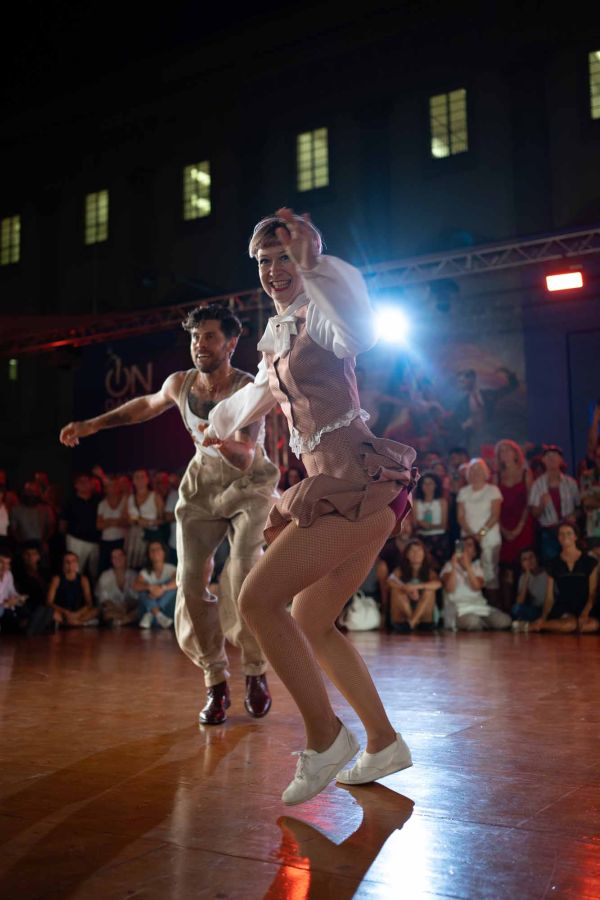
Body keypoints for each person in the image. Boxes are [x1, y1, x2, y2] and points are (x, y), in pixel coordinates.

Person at [203, 208, 417, 805]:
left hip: (357, 483)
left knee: (257, 600)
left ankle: (326, 739)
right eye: (265, 261)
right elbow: (257, 394)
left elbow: (359, 330)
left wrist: (316, 265)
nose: (275, 270)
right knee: (311, 616)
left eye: (285, 258)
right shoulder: (279, 336)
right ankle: (383, 742)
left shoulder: (323, 315)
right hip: (350, 491)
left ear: (306, 258)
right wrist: (216, 424)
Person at [59, 304, 280, 724]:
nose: (200, 344)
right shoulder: (180, 383)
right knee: (190, 582)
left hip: (249, 485)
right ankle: (215, 680)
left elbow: (245, 456)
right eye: (195, 337)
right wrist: (92, 425)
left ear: (231, 344)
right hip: (201, 487)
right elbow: (143, 405)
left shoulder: (247, 388)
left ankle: (255, 669)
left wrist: (219, 441)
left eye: (210, 337)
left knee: (243, 575)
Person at [530, 522, 599, 633]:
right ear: (558, 538)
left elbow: (592, 593)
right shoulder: (553, 563)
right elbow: (549, 597)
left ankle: (565, 627)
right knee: (570, 624)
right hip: (564, 606)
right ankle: (540, 625)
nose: (565, 536)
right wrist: (544, 616)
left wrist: (585, 613)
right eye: (561, 534)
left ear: (575, 536)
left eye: (569, 533)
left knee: (593, 625)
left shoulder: (590, 562)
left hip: (585, 605)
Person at [494, 439, 534, 610]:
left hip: (523, 523)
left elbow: (529, 503)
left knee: (524, 565)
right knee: (506, 569)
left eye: (508, 450)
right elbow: (494, 505)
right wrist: (503, 529)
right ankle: (508, 608)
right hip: (502, 524)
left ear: (516, 453)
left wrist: (519, 527)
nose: (505, 454)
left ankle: (525, 607)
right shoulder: (496, 476)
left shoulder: (526, 473)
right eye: (501, 451)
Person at [441, 535, 511, 631]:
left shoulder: (477, 567)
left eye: (469, 545)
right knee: (473, 621)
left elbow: (476, 587)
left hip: (479, 607)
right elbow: (450, 588)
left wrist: (468, 566)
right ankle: (482, 625)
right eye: (463, 545)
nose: (465, 547)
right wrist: (454, 565)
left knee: (505, 620)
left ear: (474, 552)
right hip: (459, 609)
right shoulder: (448, 566)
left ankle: (483, 624)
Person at [457, 458, 502, 597]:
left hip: (489, 537)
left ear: (485, 472)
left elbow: (495, 515)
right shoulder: (463, 491)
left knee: (490, 572)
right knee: (463, 567)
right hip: (466, 538)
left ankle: (491, 603)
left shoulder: (493, 490)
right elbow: (460, 517)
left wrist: (480, 535)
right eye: (472, 470)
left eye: (479, 469)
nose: (475, 473)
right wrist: (472, 537)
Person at [529, 445, 580, 563]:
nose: (552, 459)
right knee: (551, 565)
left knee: (571, 563)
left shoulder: (571, 483)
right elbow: (534, 514)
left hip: (568, 530)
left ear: (561, 460)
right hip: (548, 532)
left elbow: (579, 508)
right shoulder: (537, 485)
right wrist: (542, 505)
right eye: (548, 457)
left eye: (555, 456)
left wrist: (574, 516)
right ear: (543, 460)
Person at [386, 539, 441, 631]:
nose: (416, 553)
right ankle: (413, 620)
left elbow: (438, 584)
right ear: (407, 554)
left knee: (429, 591)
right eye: (412, 551)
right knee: (396, 590)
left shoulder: (430, 572)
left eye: (419, 550)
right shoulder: (400, 570)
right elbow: (390, 581)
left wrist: (416, 587)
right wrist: (406, 589)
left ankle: (412, 622)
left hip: (425, 617)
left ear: (424, 554)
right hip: (404, 614)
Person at [60, 474, 100, 581]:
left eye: (87, 481)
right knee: (75, 570)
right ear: (76, 485)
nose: (84, 484)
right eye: (81, 482)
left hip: (95, 541)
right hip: (76, 540)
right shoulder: (70, 501)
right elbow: (63, 522)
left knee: (95, 572)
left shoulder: (97, 500)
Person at [47, 552, 98, 628]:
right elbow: (49, 602)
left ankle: (71, 623)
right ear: (63, 564)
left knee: (96, 610)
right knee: (51, 613)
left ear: (77, 564)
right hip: (62, 613)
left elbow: (89, 603)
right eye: (67, 562)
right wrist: (65, 612)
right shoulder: (56, 579)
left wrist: (78, 613)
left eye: (73, 561)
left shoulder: (83, 579)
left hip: (79, 613)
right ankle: (78, 623)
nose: (70, 564)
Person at [125, 469, 164, 570]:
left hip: (151, 536)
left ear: (147, 479)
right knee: (133, 564)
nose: (140, 479)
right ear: (133, 481)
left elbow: (162, 519)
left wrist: (149, 522)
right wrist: (136, 521)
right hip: (134, 537)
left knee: (149, 565)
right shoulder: (130, 498)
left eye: (142, 476)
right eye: (137, 477)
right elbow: (127, 519)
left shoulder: (155, 496)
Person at [133, 541, 177, 629]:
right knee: (143, 590)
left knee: (173, 586)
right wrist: (150, 587)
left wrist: (162, 588)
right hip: (152, 620)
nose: (155, 552)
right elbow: (135, 585)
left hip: (166, 614)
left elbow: (179, 582)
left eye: (158, 549)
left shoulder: (172, 569)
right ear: (149, 554)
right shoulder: (145, 572)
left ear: (164, 552)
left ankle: (152, 611)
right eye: (152, 550)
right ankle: (157, 613)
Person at [413, 471, 448, 569]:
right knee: (423, 566)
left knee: (439, 566)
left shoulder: (442, 502)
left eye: (430, 483)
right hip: (422, 538)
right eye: (425, 483)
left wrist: (429, 526)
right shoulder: (416, 502)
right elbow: (414, 524)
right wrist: (420, 523)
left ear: (436, 485)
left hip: (439, 538)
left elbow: (444, 525)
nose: (427, 486)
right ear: (421, 486)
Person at [95, 546, 139, 626]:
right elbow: (103, 600)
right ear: (111, 560)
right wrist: (117, 608)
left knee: (139, 611)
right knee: (107, 614)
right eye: (114, 557)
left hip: (129, 609)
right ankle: (126, 619)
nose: (117, 559)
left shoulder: (134, 575)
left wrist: (126, 607)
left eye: (120, 556)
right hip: (112, 609)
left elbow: (137, 598)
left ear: (125, 557)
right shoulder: (105, 576)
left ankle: (122, 621)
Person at [96, 476, 129, 573]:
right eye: (109, 486)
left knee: (122, 568)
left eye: (115, 485)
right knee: (104, 569)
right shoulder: (102, 504)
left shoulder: (126, 500)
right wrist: (117, 521)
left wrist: (108, 521)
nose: (113, 488)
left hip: (122, 541)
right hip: (106, 542)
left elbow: (127, 522)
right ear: (105, 489)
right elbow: (99, 525)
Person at [511, 548, 548, 631]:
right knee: (516, 609)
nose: (529, 561)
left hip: (550, 608)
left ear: (537, 558)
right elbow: (519, 602)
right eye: (525, 559)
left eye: (531, 557)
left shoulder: (547, 573)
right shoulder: (523, 577)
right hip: (536, 610)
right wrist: (527, 575)